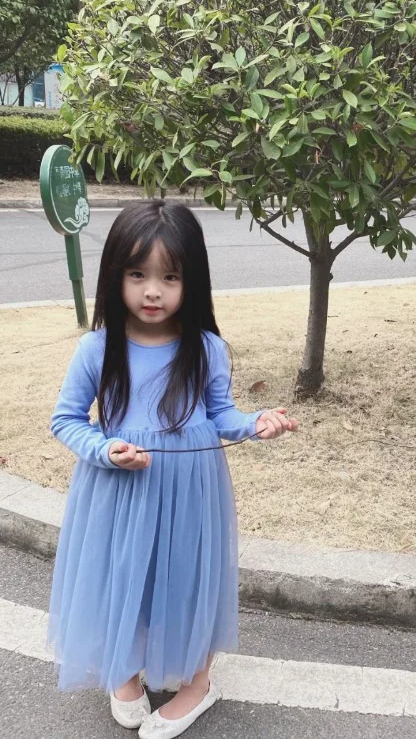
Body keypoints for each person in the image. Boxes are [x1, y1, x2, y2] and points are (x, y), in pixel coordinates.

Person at [47, 200, 298, 739]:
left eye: (170, 277)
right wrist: (106, 449)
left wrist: (255, 423)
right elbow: (66, 420)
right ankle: (124, 668)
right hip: (119, 489)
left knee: (188, 578)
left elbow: (222, 415)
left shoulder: (205, 348)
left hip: (192, 492)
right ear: (115, 275)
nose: (153, 292)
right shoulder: (97, 349)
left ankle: (197, 683)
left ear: (193, 281)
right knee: (123, 577)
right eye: (138, 275)